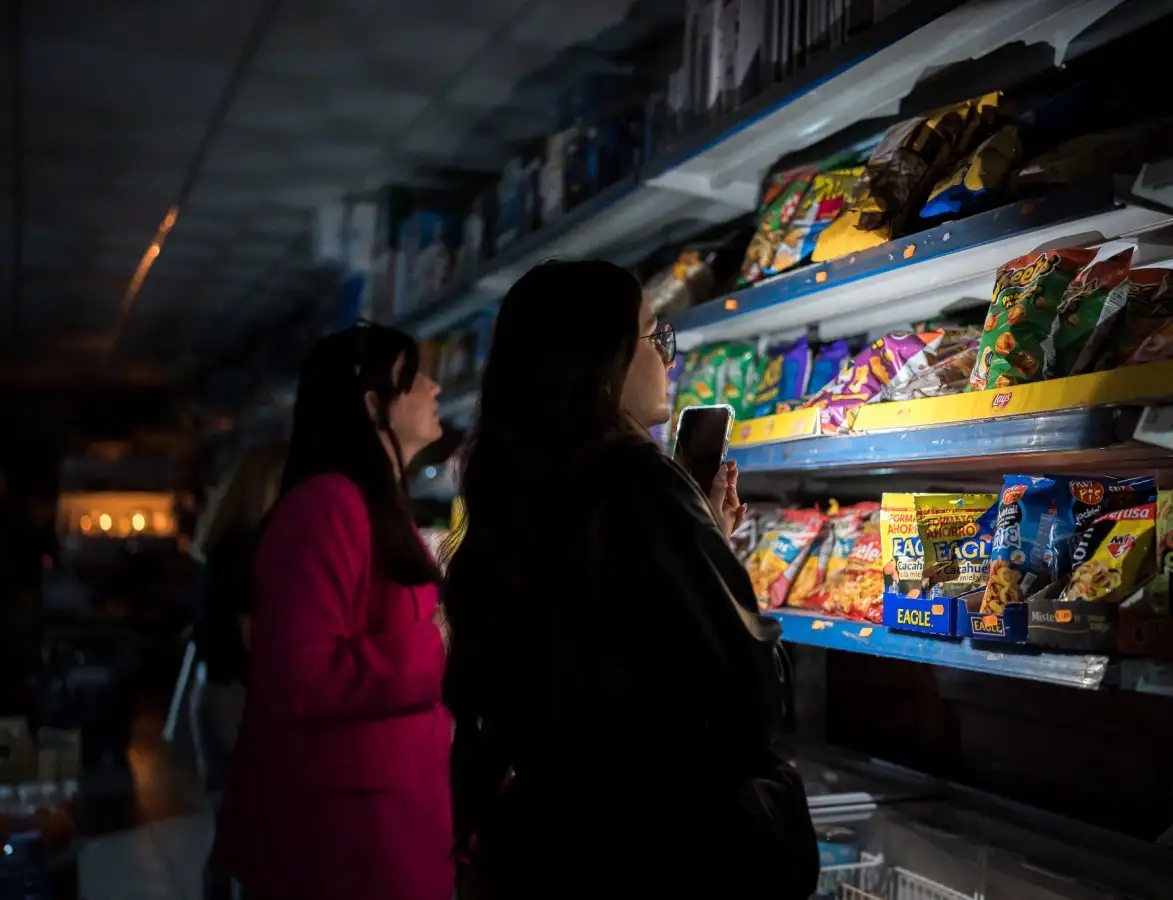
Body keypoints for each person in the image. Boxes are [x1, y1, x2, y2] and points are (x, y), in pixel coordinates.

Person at [443, 261, 818, 899]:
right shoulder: (638, 479)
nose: (667, 357)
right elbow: (748, 697)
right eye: (653, 336)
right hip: (659, 850)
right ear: (601, 359)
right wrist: (706, 551)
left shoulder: (512, 486)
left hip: (552, 847)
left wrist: (704, 544)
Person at [211, 322, 455, 900]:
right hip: (347, 837)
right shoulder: (327, 505)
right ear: (374, 405)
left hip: (386, 811)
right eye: (415, 376)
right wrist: (438, 641)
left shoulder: (374, 507)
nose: (435, 388)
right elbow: (301, 677)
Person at [194, 441, 287, 778]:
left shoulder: (223, 545)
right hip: (239, 698)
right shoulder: (245, 551)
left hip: (215, 692)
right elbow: (253, 638)